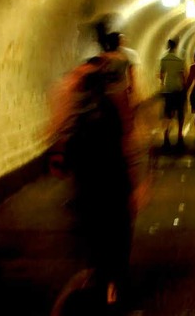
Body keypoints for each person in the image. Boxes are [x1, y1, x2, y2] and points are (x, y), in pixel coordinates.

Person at [46, 55, 133, 308]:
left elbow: (65, 161)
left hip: (87, 193)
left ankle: (97, 283)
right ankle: (112, 289)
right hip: (114, 188)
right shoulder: (110, 110)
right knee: (116, 240)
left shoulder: (78, 119)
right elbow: (121, 147)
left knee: (96, 242)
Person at [159, 38, 186, 150]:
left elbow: (161, 74)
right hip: (178, 89)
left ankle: (166, 136)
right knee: (180, 113)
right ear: (176, 47)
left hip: (168, 89)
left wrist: (162, 84)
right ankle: (180, 135)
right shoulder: (179, 60)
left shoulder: (164, 59)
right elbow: (182, 76)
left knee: (167, 114)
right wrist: (184, 87)